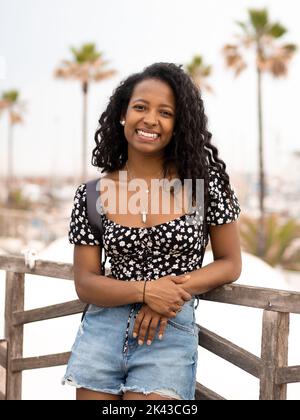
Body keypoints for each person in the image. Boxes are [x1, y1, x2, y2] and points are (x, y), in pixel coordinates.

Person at [62, 62, 242, 400]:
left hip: (168, 334)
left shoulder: (201, 187)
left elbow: (230, 263)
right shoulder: (92, 195)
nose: (150, 119)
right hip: (101, 333)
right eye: (140, 107)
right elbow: (85, 282)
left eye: (166, 112)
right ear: (122, 114)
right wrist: (146, 291)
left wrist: (167, 296)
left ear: (179, 125)